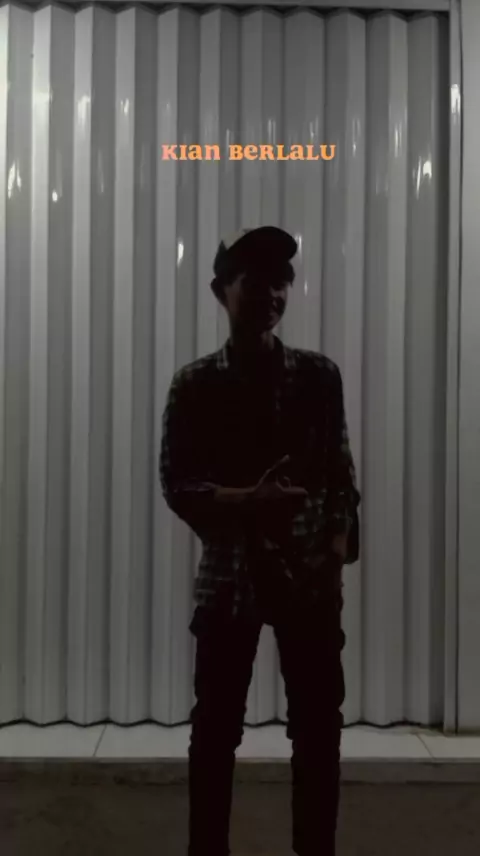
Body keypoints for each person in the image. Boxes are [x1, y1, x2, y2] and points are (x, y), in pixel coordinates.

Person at [159, 226, 360, 856]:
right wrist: (250, 500)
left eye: (281, 282)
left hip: (310, 583)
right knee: (215, 734)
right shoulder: (195, 385)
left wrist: (333, 558)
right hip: (229, 581)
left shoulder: (318, 378)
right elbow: (178, 485)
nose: (272, 294)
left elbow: (342, 479)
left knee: (318, 733)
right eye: (255, 281)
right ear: (221, 290)